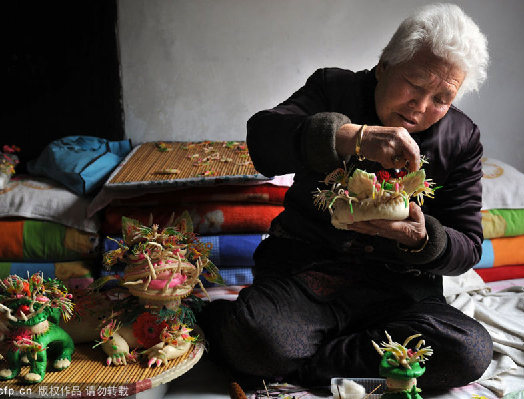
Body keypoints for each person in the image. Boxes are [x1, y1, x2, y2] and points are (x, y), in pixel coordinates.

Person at [200, 3, 492, 390]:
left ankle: (293, 360)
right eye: (415, 84)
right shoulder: (333, 88)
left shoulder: (461, 138)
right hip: (305, 278)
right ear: (384, 65)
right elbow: (263, 139)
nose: (421, 107)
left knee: (468, 351)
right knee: (261, 337)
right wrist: (351, 137)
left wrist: (422, 238)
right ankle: (271, 342)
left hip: (399, 295)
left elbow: (468, 245)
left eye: (441, 98)